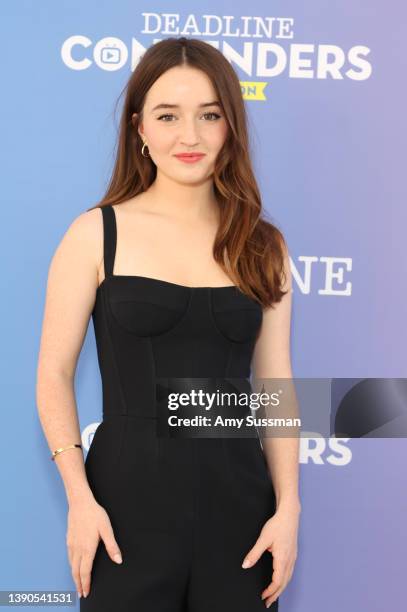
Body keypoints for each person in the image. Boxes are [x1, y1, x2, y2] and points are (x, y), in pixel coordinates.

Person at [36, 36, 301, 611]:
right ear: (140, 128)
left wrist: (288, 510)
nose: (190, 136)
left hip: (241, 515)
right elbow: (54, 375)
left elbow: (275, 385)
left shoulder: (263, 245)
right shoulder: (94, 234)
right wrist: (80, 500)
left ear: (230, 125)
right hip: (124, 514)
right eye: (168, 115)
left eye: (210, 115)